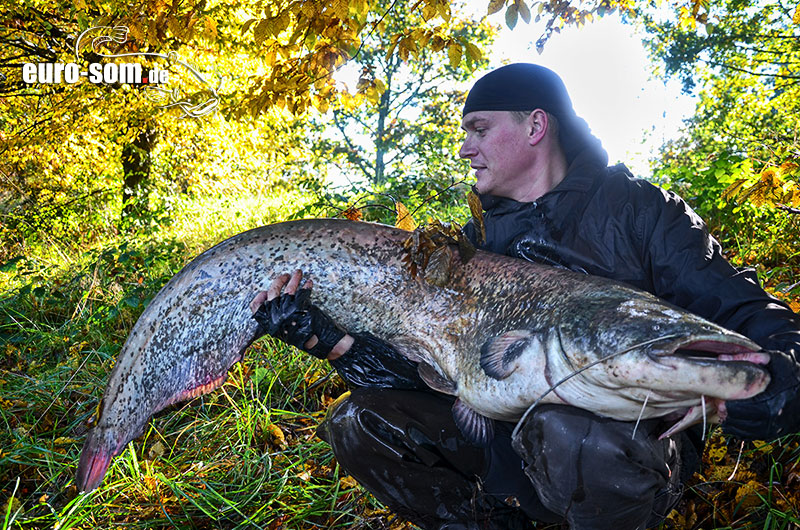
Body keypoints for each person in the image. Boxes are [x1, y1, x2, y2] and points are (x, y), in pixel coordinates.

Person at [250, 64, 800, 529]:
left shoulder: (640, 210)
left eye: (479, 129)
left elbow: (749, 313)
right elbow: (429, 378)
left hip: (627, 451)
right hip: (505, 448)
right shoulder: (466, 250)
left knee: (570, 432)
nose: (465, 148)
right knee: (360, 423)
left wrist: (779, 378)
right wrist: (332, 342)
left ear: (536, 125)